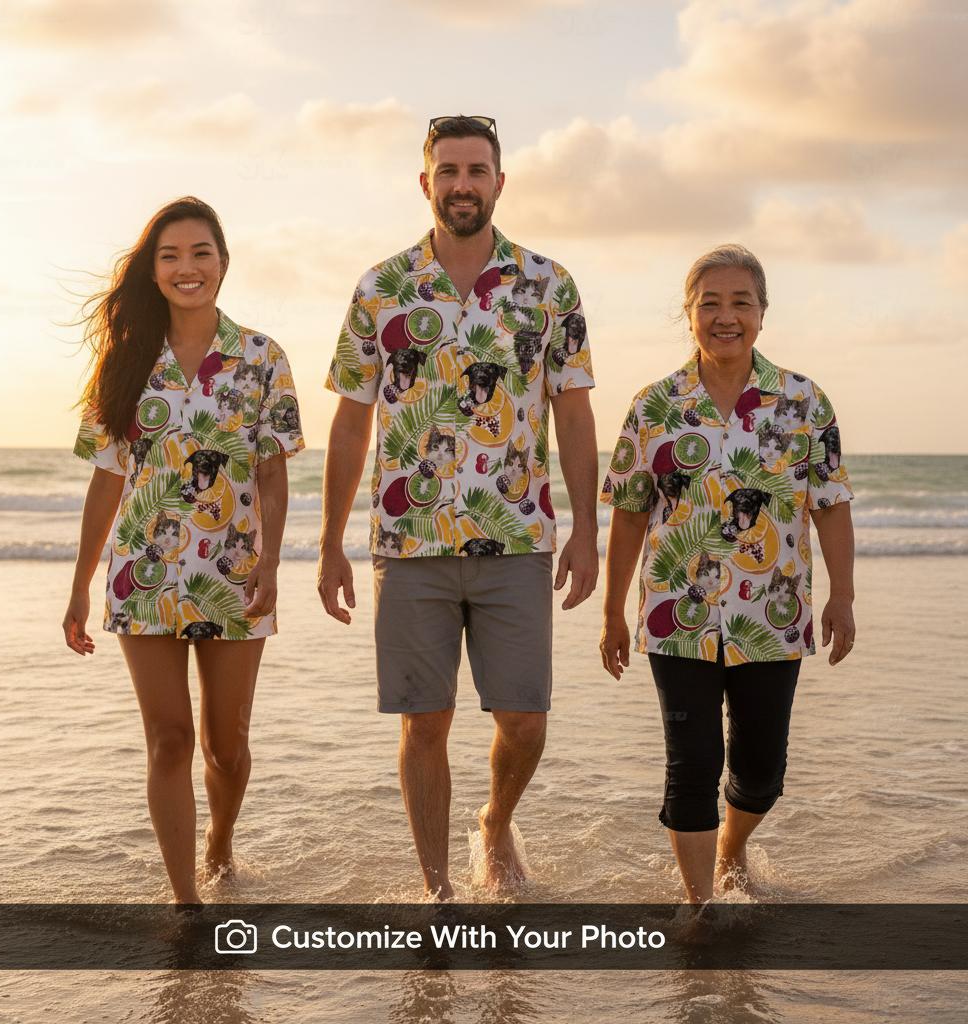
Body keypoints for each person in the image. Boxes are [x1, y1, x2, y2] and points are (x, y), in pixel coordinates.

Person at [318, 115, 599, 899]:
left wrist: (586, 529)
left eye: (477, 170)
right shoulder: (382, 288)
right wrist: (330, 540)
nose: (463, 184)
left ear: (500, 181)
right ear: (426, 183)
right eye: (449, 171)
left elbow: (573, 412)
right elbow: (351, 419)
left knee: (525, 721)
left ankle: (495, 821)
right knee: (425, 723)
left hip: (517, 536)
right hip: (410, 544)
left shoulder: (549, 284)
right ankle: (439, 889)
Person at [62, 196, 304, 905]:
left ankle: (220, 844)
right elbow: (107, 482)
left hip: (234, 576)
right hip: (143, 576)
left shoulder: (262, 357)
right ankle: (186, 904)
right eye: (170, 256)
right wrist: (80, 585)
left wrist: (271, 564)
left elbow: (272, 473)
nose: (186, 268)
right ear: (153, 270)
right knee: (169, 740)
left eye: (200, 253)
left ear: (223, 263)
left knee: (225, 745)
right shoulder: (127, 359)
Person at [599, 244, 855, 904]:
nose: (725, 316)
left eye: (741, 302)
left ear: (763, 314)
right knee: (691, 767)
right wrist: (611, 612)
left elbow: (830, 506)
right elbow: (628, 514)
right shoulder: (655, 405)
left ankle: (731, 850)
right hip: (674, 616)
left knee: (761, 771)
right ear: (687, 314)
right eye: (709, 303)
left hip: (773, 616)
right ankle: (700, 910)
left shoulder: (803, 402)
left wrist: (843, 598)